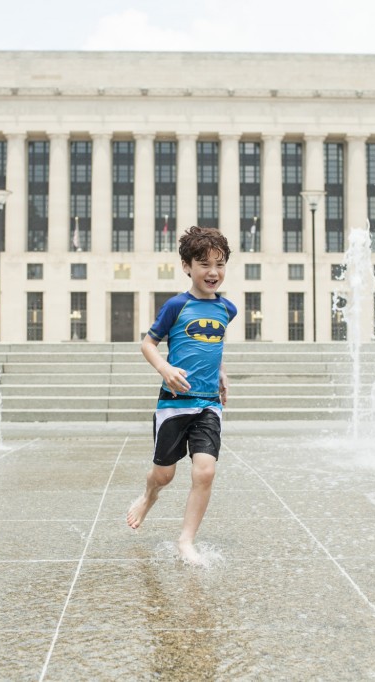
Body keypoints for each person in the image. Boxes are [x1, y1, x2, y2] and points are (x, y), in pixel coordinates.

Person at [126, 226, 237, 566]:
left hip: (207, 404)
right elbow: (148, 343)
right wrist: (164, 369)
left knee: (205, 472)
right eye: (204, 264)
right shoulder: (177, 305)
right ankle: (148, 496)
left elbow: (210, 344)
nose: (212, 272)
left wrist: (219, 371)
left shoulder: (227, 309)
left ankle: (186, 540)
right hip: (174, 404)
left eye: (219, 264)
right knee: (165, 475)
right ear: (187, 266)